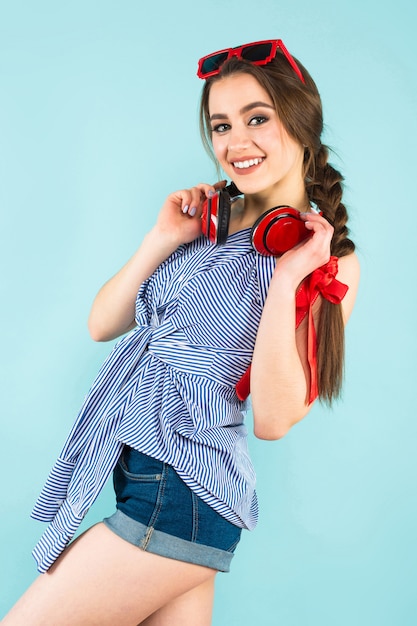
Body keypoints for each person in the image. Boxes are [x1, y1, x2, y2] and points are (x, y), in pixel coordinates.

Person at [2, 39, 360, 625]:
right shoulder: (206, 218)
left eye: (257, 119)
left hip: (180, 492)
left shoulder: (325, 259)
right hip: (140, 475)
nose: (235, 143)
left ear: (301, 125)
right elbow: (103, 324)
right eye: (220, 125)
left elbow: (272, 418)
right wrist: (164, 237)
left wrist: (287, 276)